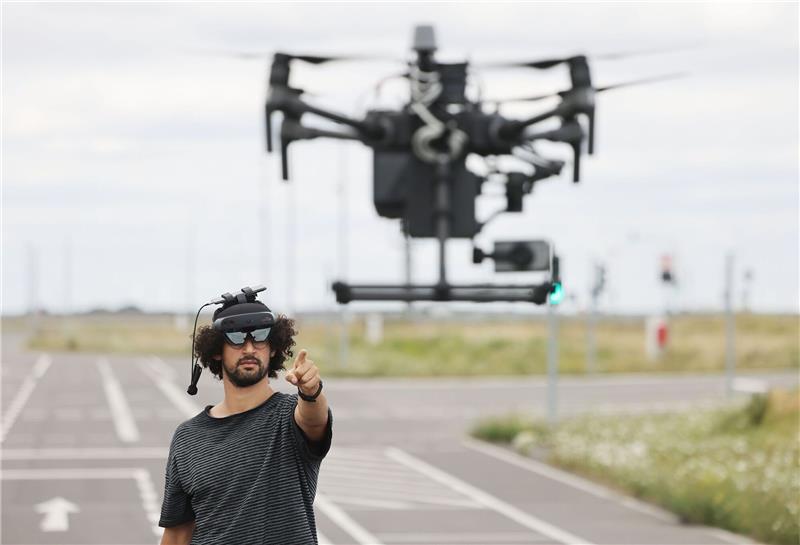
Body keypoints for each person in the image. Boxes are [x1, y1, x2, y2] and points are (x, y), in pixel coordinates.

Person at [158, 299, 332, 545]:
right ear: (217, 350)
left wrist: (311, 390)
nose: (249, 348)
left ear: (273, 348)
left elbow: (314, 420)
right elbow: (177, 534)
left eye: (260, 337)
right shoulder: (187, 437)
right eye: (236, 338)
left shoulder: (288, 416)